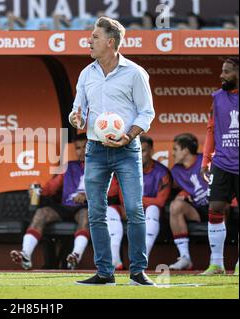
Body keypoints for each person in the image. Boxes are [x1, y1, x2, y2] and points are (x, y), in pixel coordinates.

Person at [69, 16, 156, 286]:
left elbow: (147, 112)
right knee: (96, 212)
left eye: (94, 37)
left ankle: (138, 272)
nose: (89, 41)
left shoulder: (135, 72)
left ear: (110, 42)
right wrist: (76, 119)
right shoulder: (86, 73)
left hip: (127, 149)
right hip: (95, 149)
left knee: (134, 209)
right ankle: (105, 273)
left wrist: (128, 135)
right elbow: (78, 111)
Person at [10, 133, 90, 270]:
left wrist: (88, 195)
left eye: (85, 147)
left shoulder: (103, 167)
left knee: (86, 216)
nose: (81, 151)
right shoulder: (68, 166)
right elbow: (52, 187)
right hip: (66, 205)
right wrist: (39, 190)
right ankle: (26, 255)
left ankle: (75, 256)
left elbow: (111, 189)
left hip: (86, 206)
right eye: (78, 148)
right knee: (42, 213)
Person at [108, 135, 172, 269]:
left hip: (150, 213)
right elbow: (110, 193)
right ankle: (115, 260)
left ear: (152, 151)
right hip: (128, 210)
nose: (139, 155)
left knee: (153, 209)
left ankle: (142, 259)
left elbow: (160, 201)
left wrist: (136, 201)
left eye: (142, 151)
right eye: (135, 151)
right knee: (109, 210)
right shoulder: (123, 169)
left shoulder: (162, 172)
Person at [200, 57, 239, 276]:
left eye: (226, 72)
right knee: (215, 206)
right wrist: (206, 160)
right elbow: (210, 130)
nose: (221, 75)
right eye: (221, 71)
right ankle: (216, 264)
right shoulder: (217, 98)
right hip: (222, 162)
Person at [168, 133, 209, 271]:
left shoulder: (206, 160)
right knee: (175, 206)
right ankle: (185, 257)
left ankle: (217, 258)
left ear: (185, 151)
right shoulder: (176, 171)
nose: (172, 153)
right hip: (198, 210)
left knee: (221, 204)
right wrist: (183, 194)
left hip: (218, 206)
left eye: (175, 149)